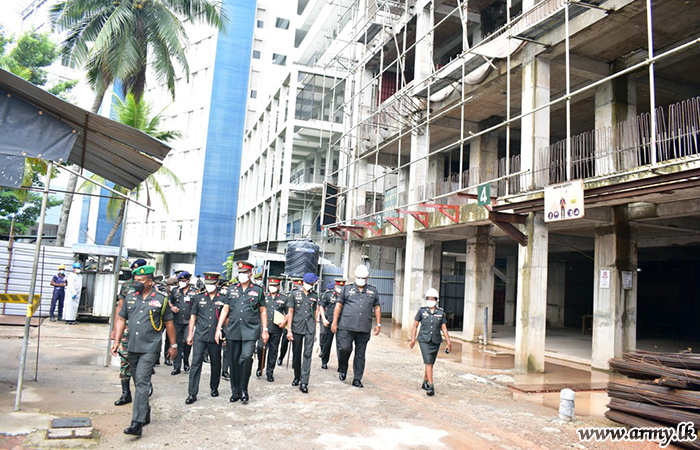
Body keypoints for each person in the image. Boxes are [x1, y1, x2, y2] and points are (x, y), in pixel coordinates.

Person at [111, 265, 177, 437]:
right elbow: (121, 319)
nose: (137, 283)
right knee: (136, 379)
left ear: (149, 282)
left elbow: (169, 324)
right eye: (135, 280)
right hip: (132, 346)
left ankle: (137, 423)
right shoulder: (131, 297)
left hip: (150, 347)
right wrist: (116, 341)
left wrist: (173, 345)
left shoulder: (161, 299)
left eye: (140, 280)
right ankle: (145, 412)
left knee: (142, 382)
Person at [215, 261, 268, 404]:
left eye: (244, 273)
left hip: (250, 331)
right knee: (233, 361)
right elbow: (225, 309)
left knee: (245, 358)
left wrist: (265, 330)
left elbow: (263, 311)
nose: (242, 275)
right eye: (240, 273)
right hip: (233, 330)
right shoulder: (231, 289)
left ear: (250, 274)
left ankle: (244, 389)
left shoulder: (258, 290)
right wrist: (218, 328)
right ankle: (235, 391)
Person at [331, 264, 380, 388]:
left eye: (363, 278)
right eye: (359, 277)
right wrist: (334, 322)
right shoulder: (347, 289)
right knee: (344, 348)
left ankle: (357, 379)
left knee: (360, 354)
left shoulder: (372, 290)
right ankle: (342, 368)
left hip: (363, 328)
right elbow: (338, 305)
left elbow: (377, 307)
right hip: (346, 327)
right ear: (355, 277)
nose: (361, 280)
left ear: (367, 278)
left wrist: (378, 324)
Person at [185, 272, 225, 404]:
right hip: (200, 335)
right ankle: (192, 393)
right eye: (207, 284)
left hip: (215, 336)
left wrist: (225, 334)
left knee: (215, 362)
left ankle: (214, 387)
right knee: (196, 363)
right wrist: (190, 333)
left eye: (212, 284)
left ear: (217, 284)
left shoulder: (223, 298)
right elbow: (193, 316)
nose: (209, 286)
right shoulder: (199, 297)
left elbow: (227, 318)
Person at [113, 259, 148, 407]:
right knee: (125, 360)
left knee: (143, 362)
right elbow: (120, 308)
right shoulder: (127, 285)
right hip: (127, 330)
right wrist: (115, 330)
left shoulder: (152, 287)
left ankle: (144, 388)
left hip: (144, 331)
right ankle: (126, 393)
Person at [409, 288, 452, 396]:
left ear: (436, 300)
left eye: (433, 299)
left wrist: (449, 342)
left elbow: (444, 328)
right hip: (424, 340)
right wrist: (413, 339)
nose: (431, 300)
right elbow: (415, 326)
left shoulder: (441, 313)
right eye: (429, 298)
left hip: (436, 341)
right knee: (428, 361)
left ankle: (425, 382)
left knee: (430, 363)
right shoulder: (422, 311)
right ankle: (431, 386)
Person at [287, 272, 319, 394]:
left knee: (307, 354)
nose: (312, 285)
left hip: (309, 328)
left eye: (313, 283)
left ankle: (304, 382)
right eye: (310, 283)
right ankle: (297, 376)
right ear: (305, 282)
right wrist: (289, 330)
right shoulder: (294, 294)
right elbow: (290, 312)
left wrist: (315, 329)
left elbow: (315, 313)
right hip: (296, 327)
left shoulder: (315, 296)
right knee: (296, 354)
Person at [255, 276, 288, 382]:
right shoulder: (263, 296)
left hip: (276, 329)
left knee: (273, 351)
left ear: (278, 286)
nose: (272, 287)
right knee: (261, 348)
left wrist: (284, 322)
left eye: (274, 285)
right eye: (271, 285)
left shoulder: (283, 298)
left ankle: (270, 372)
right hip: (264, 328)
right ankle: (260, 367)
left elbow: (288, 313)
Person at [170, 271, 198, 375]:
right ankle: (176, 366)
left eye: (183, 280)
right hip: (177, 320)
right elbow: (170, 301)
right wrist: (172, 307)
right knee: (176, 343)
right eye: (180, 281)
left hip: (188, 320)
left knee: (187, 341)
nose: (181, 282)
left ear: (188, 280)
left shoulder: (194, 291)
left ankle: (186, 360)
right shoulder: (175, 291)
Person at [319, 278, 345, 369]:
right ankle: (324, 361)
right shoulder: (328, 295)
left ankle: (341, 366)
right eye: (338, 286)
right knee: (327, 343)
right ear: (335, 286)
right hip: (329, 322)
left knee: (341, 346)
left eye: (342, 287)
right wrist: (323, 319)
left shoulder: (346, 296)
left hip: (342, 323)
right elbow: (321, 306)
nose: (340, 288)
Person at [277, 277, 302, 366]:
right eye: (295, 285)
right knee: (284, 342)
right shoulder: (287, 296)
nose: (297, 287)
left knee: (296, 344)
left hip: (298, 322)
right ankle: (281, 357)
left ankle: (295, 361)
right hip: (288, 321)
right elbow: (287, 311)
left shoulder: (303, 296)